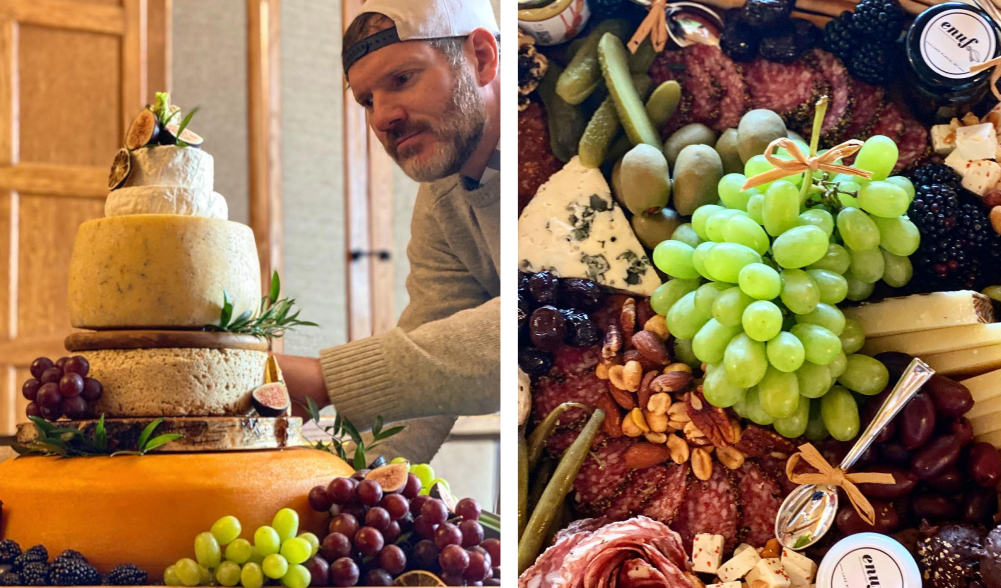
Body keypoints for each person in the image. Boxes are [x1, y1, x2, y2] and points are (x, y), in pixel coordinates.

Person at [277, 0, 500, 464]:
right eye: (367, 100)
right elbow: (423, 385)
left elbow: (522, 331)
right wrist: (341, 487)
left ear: (481, 56)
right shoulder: (442, 202)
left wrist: (325, 380)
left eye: (403, 79)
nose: (382, 118)